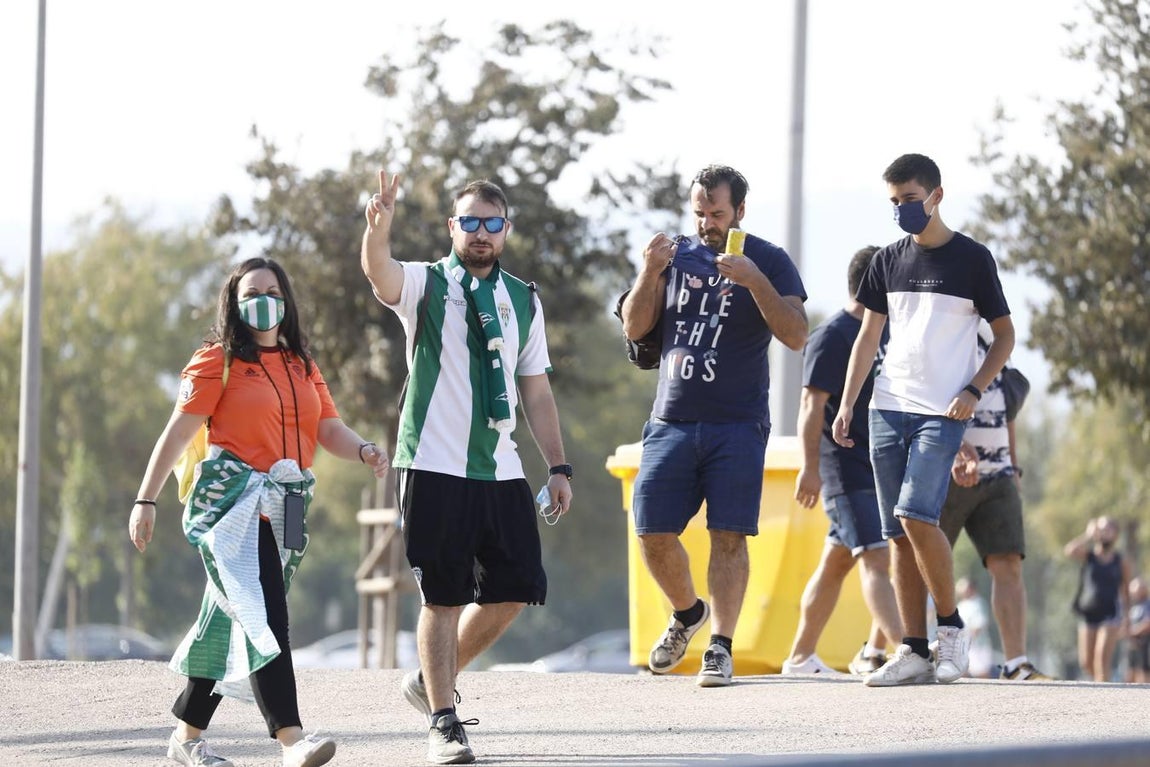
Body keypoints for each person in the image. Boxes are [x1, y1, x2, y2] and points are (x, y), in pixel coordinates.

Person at [128, 257, 389, 767]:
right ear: (234, 302)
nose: (263, 299)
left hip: (285, 506)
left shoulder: (301, 365)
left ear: (286, 300)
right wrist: (145, 499)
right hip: (231, 507)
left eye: (272, 290)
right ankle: (292, 740)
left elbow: (327, 428)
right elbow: (177, 432)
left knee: (230, 616)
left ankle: (185, 738)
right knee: (266, 614)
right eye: (251, 292)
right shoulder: (216, 360)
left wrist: (363, 450)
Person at [361, 171, 573, 765]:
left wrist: (559, 466)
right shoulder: (426, 285)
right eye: (470, 223)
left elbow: (535, 391)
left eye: (492, 223)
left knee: (516, 588)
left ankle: (429, 681)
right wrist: (377, 233)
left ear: (506, 230)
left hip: (501, 468)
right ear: (453, 227)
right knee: (443, 597)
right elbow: (380, 274)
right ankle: (443, 719)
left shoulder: (523, 299)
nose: (481, 233)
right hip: (432, 465)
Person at [619, 164, 808, 687]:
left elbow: (795, 334)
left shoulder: (769, 260)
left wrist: (755, 281)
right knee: (651, 531)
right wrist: (648, 272)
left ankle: (720, 647)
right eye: (699, 213)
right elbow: (636, 327)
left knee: (728, 537)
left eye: (717, 213)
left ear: (740, 210)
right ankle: (687, 614)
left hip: (738, 422)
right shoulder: (672, 253)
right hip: (671, 419)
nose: (706, 223)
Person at [832, 153, 1015, 687]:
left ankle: (951, 628)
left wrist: (974, 389)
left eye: (909, 200)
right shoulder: (886, 261)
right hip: (887, 406)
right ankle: (913, 649)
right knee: (896, 534)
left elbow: (1004, 336)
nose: (901, 210)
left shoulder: (973, 259)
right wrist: (847, 404)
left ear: (936, 195)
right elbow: (868, 338)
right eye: (894, 202)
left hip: (944, 410)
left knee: (916, 515)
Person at [782, 245, 902, 677]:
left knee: (836, 563)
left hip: (879, 468)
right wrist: (810, 469)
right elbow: (811, 407)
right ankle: (910, 653)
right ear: (874, 283)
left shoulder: (886, 333)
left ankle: (799, 658)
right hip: (843, 470)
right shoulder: (832, 336)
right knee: (876, 559)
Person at [940, 327, 1050, 681]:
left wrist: (1013, 468)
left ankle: (1016, 662)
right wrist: (952, 450)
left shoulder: (996, 340)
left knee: (1009, 564)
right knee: (922, 562)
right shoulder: (939, 335)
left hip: (998, 473)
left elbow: (1007, 409)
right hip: (945, 471)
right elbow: (921, 401)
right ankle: (895, 647)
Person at [1064, 516, 1132, 681]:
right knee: (1086, 662)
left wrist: (1127, 617)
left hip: (1111, 614)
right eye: (1101, 529)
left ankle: (1103, 696)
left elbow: (1125, 590)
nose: (1104, 533)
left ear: (1115, 534)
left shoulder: (1120, 561)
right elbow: (1069, 551)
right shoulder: (1089, 556)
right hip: (1089, 612)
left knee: (1101, 659)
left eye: (1108, 529)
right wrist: (1087, 535)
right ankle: (1100, 686)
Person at [953, 577, 993, 678]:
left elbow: (978, 625)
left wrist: (968, 641)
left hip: (977, 646)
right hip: (963, 645)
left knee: (981, 673)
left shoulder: (978, 603)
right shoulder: (961, 605)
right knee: (962, 673)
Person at [1124, 577, 1150, 683]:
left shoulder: (1147, 605)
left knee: (1144, 672)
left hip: (1145, 643)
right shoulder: (1133, 606)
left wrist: (1134, 632)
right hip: (1133, 644)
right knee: (1130, 672)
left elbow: (1148, 623)